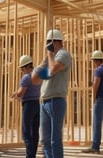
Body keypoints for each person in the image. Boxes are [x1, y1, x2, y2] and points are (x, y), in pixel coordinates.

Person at [31, 29, 72, 158]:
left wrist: (49, 54)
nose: (47, 46)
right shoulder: (50, 59)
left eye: (49, 43)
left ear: (54, 42)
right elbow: (35, 80)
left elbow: (53, 69)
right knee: (45, 141)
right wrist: (42, 64)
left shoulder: (63, 55)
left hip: (56, 101)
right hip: (44, 102)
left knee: (55, 140)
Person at [82, 50, 103, 155]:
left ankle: (95, 147)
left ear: (96, 61)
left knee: (96, 123)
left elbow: (95, 84)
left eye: (93, 61)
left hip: (100, 99)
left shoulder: (98, 71)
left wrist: (94, 97)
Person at [11, 55, 41, 158]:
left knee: (26, 132)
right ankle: (33, 154)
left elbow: (21, 92)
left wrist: (16, 94)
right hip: (37, 104)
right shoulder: (37, 75)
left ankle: (30, 156)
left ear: (24, 67)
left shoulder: (26, 77)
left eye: (21, 69)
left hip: (28, 106)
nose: (22, 71)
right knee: (35, 132)